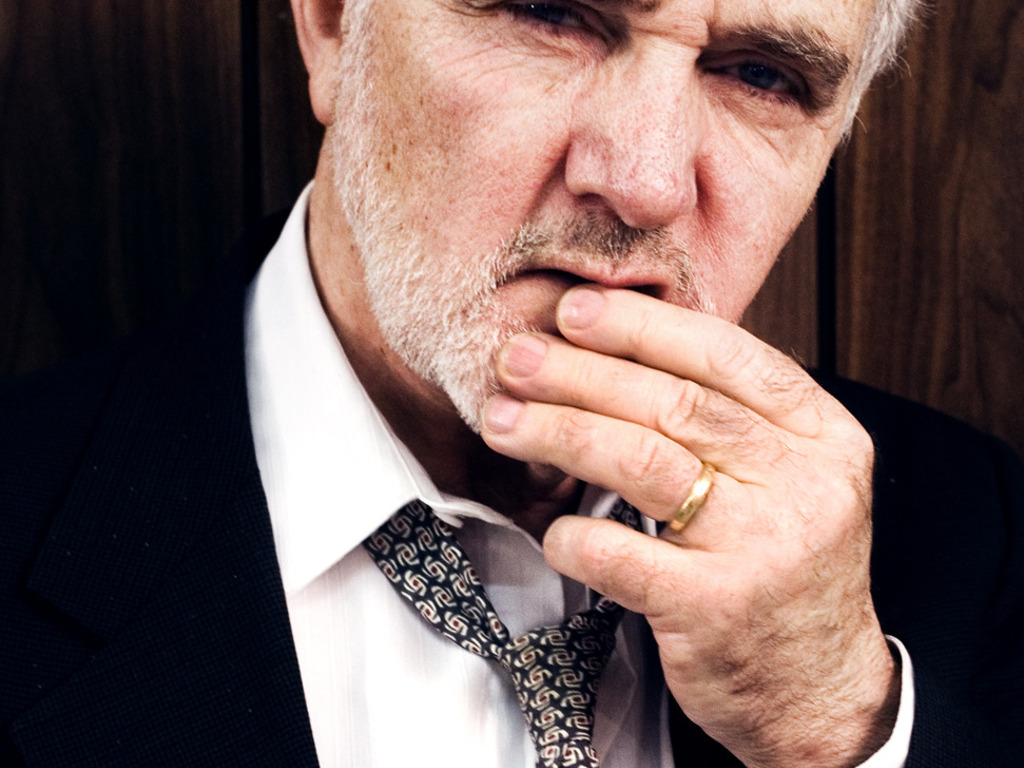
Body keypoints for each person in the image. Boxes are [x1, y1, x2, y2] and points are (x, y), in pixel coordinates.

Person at [1, 0, 1021, 766]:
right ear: (333, 23)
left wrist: (835, 726)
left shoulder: (977, 542)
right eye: (551, 14)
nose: (644, 183)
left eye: (762, 76)